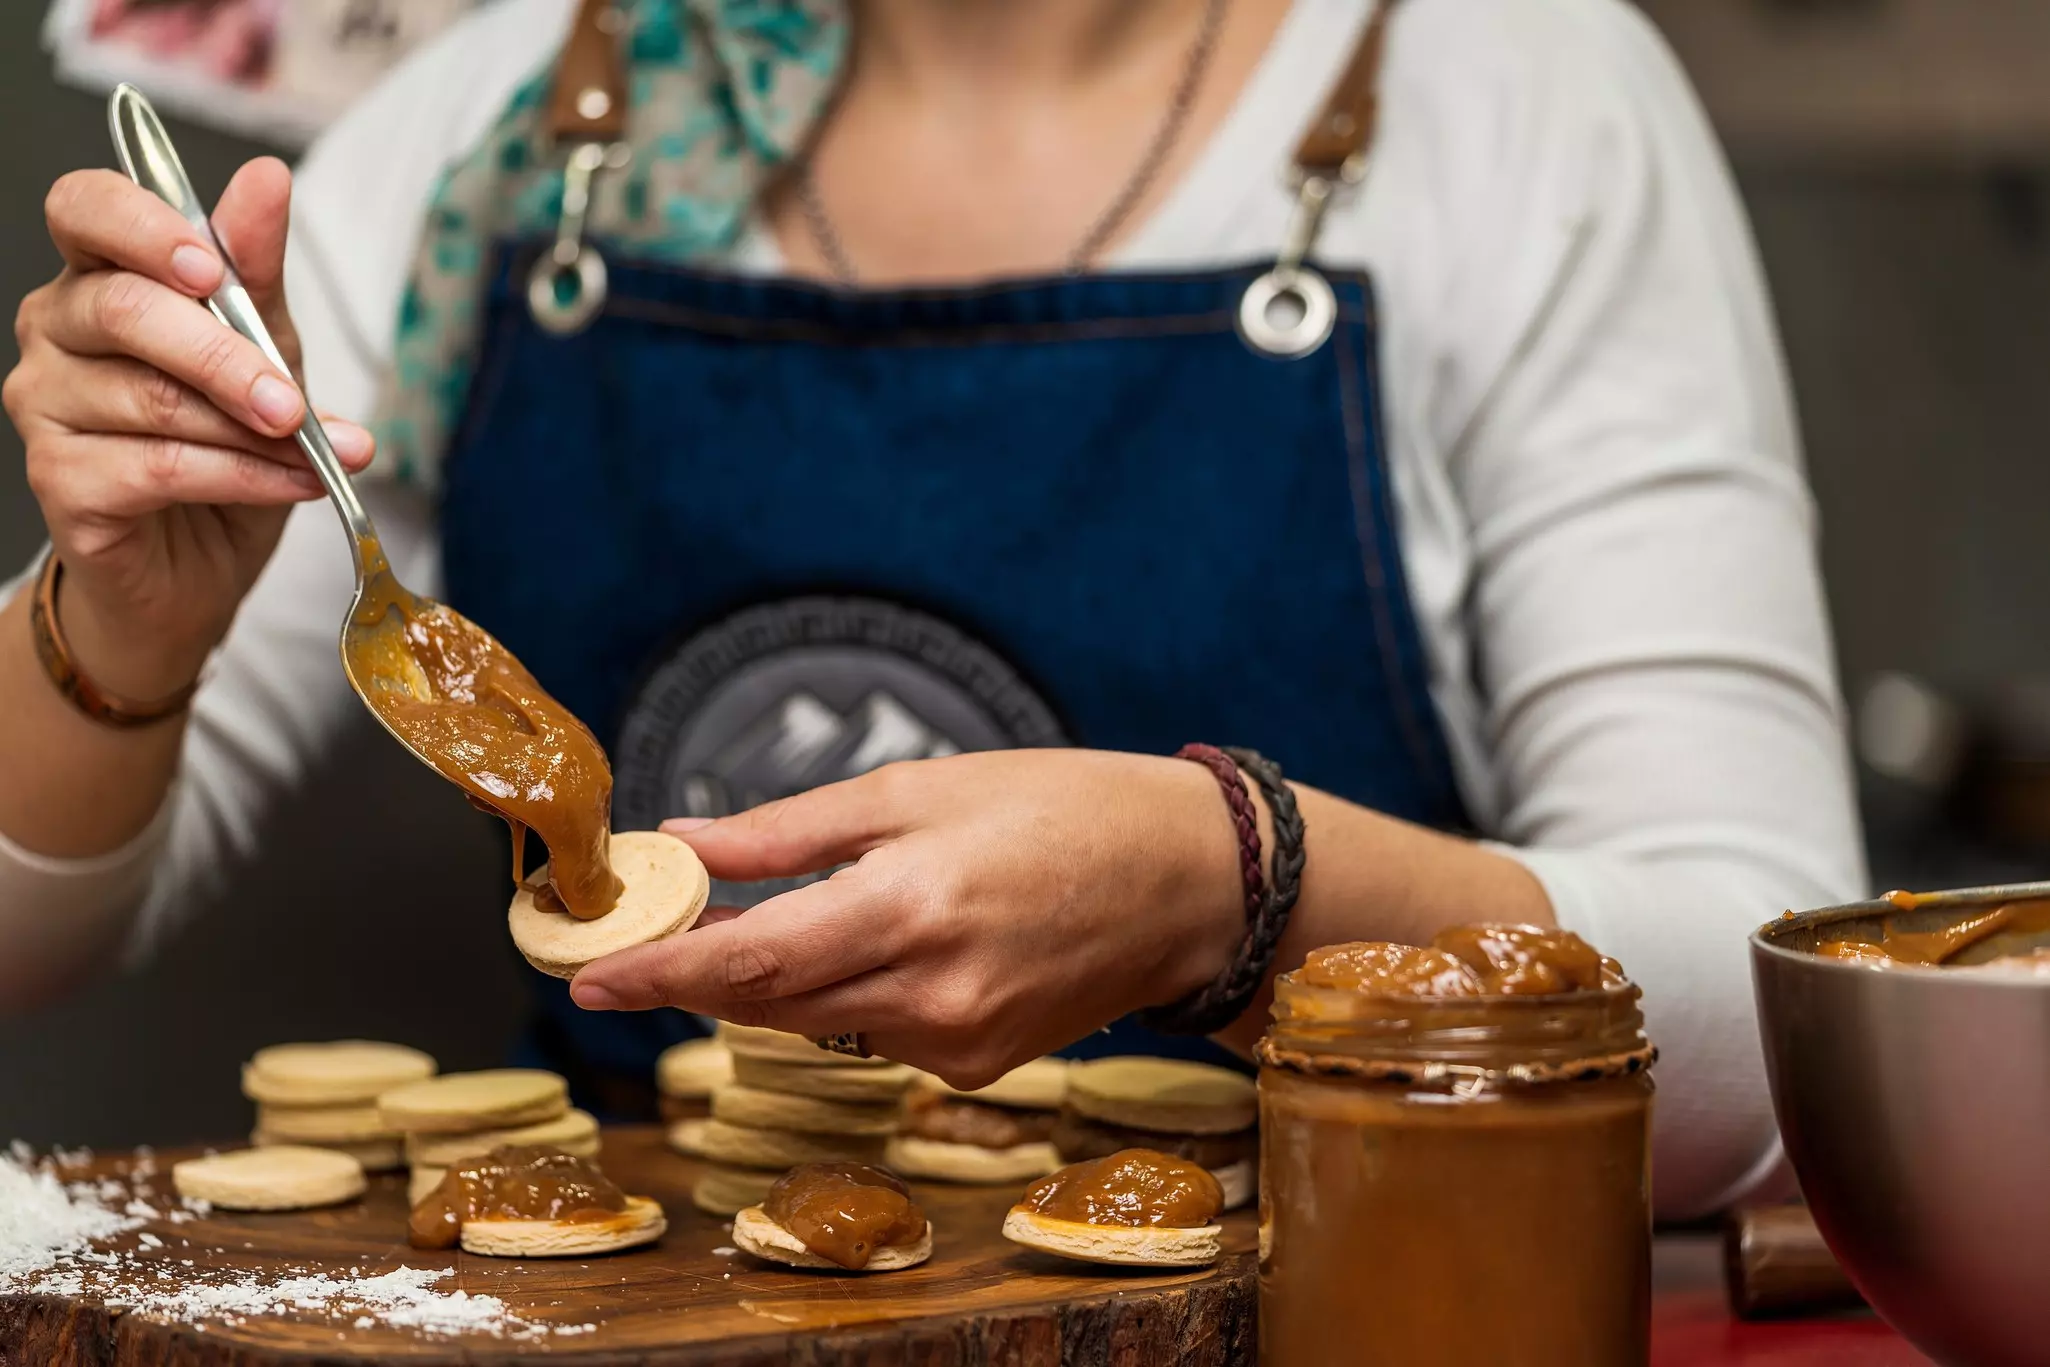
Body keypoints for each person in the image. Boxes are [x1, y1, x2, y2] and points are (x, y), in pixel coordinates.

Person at [0, 0, 1864, 1219]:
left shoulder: (1515, 97)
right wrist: (127, 630)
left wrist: (1236, 886)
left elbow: (1787, 1050)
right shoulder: (507, 125)